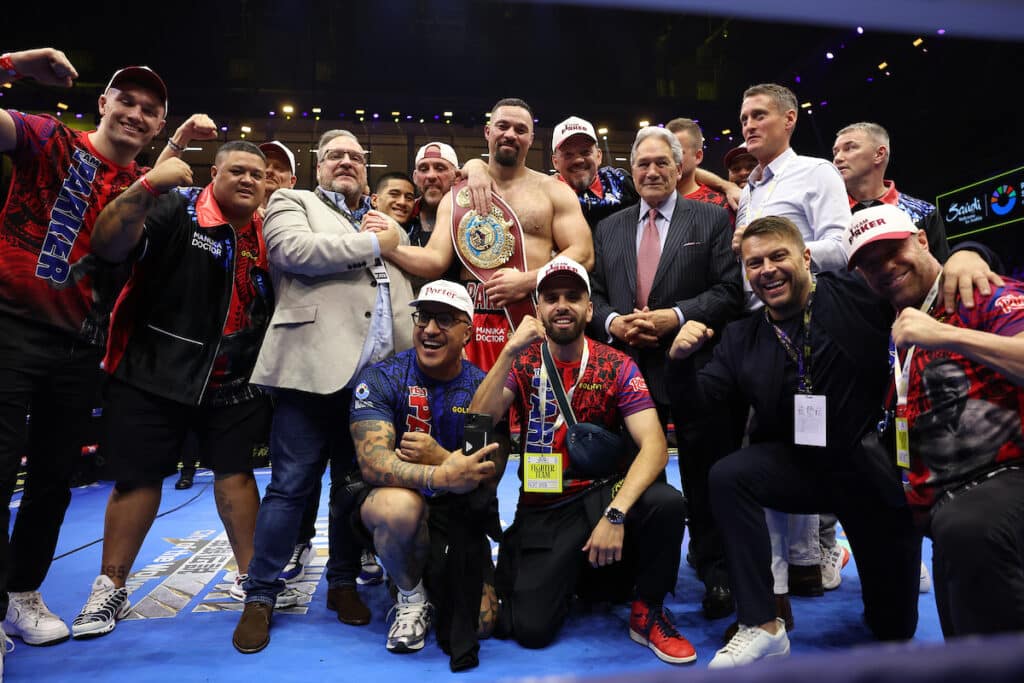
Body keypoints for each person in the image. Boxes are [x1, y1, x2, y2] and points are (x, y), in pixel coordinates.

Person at [670, 215, 922, 668]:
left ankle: (875, 572)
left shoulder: (854, 295)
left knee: (894, 629)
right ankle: (763, 625)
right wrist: (681, 362)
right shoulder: (742, 335)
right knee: (729, 475)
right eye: (754, 263)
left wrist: (969, 256)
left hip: (865, 470)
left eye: (777, 256)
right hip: (796, 466)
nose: (766, 269)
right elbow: (699, 406)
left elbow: (921, 280)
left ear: (805, 257)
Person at [68, 141, 274, 639]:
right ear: (214, 173)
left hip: (233, 378)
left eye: (258, 174)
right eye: (237, 171)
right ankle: (109, 586)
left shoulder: (268, 233)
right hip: (153, 372)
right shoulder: (175, 208)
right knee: (137, 480)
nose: (248, 180)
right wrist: (148, 185)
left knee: (237, 475)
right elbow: (110, 244)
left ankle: (256, 586)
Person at [0, 50, 167, 651]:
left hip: (79, 347)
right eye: (126, 100)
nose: (135, 113)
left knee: (50, 480)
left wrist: (153, 182)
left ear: (158, 127)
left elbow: (120, 250)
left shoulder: (146, 189)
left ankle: (22, 593)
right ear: (103, 103)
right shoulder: (49, 138)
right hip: (8, 325)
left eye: (150, 110)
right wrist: (11, 66)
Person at [232, 129, 415, 654]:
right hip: (311, 371)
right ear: (317, 165)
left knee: (350, 491)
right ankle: (260, 597)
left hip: (374, 383)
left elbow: (395, 292)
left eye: (356, 157)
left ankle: (340, 585)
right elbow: (292, 250)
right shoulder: (293, 201)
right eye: (335, 154)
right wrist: (375, 243)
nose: (346, 162)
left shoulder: (382, 220)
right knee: (290, 488)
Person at [469, 256, 694, 665]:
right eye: (551, 297)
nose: (562, 305)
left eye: (573, 297)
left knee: (666, 503)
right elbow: (480, 420)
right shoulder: (522, 362)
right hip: (544, 505)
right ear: (537, 308)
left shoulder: (616, 364)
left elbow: (655, 446)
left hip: (600, 495)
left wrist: (616, 514)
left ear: (589, 309)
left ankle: (648, 611)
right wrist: (507, 352)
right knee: (529, 631)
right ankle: (584, 579)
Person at [845, 203, 1024, 637]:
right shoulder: (894, 324)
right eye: (870, 264)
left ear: (923, 240)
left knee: (968, 534)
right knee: (961, 638)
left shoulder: (978, 290)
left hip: (1004, 481)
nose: (885, 267)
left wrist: (945, 334)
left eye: (893, 250)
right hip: (946, 507)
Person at [587, 126, 742, 619]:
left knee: (705, 475)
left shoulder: (713, 219)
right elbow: (591, 295)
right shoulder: (608, 226)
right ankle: (631, 571)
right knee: (631, 474)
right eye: (641, 164)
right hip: (626, 371)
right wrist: (614, 322)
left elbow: (729, 291)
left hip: (695, 370)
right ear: (631, 172)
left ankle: (717, 572)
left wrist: (673, 317)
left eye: (661, 163)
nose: (651, 171)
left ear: (680, 168)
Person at [733, 82, 855, 606]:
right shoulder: (751, 190)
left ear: (790, 119)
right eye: (743, 118)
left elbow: (842, 244)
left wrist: (784, 254)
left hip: (808, 327)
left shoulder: (816, 172)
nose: (749, 125)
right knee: (769, 445)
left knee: (807, 442)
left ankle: (811, 557)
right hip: (757, 331)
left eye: (760, 114)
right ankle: (785, 572)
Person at [349, 280, 506, 660]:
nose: (430, 330)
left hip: (457, 515)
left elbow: (483, 471)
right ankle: (409, 593)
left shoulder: (480, 388)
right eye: (423, 318)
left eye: (445, 320)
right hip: (398, 507)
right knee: (397, 508)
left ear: (468, 331)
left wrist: (439, 457)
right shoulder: (382, 378)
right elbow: (373, 462)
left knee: (483, 623)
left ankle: (424, 574)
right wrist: (439, 476)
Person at [385, 98, 593, 374]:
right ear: (488, 132)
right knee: (472, 410)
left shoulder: (553, 190)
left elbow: (583, 253)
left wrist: (527, 281)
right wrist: (384, 246)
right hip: (470, 322)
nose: (510, 134)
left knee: (529, 406)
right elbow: (435, 259)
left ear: (531, 138)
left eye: (520, 129)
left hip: (527, 315)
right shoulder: (458, 194)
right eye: (502, 126)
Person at [832, 121, 949, 262]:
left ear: (879, 154)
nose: (837, 158)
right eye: (835, 152)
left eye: (850, 148)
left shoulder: (923, 212)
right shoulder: (829, 215)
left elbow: (941, 272)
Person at [550, 115, 639, 230]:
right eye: (568, 154)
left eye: (585, 152)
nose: (578, 160)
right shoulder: (546, 197)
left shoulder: (620, 182)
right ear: (555, 162)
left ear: (598, 156)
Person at [665, 117, 733, 223]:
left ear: (698, 156)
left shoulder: (719, 205)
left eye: (677, 153)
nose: (669, 158)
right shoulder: (651, 199)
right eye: (665, 153)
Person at [408, 142, 460, 248]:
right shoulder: (404, 214)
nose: (431, 175)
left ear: (456, 177)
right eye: (423, 169)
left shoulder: (469, 217)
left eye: (440, 168)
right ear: (415, 177)